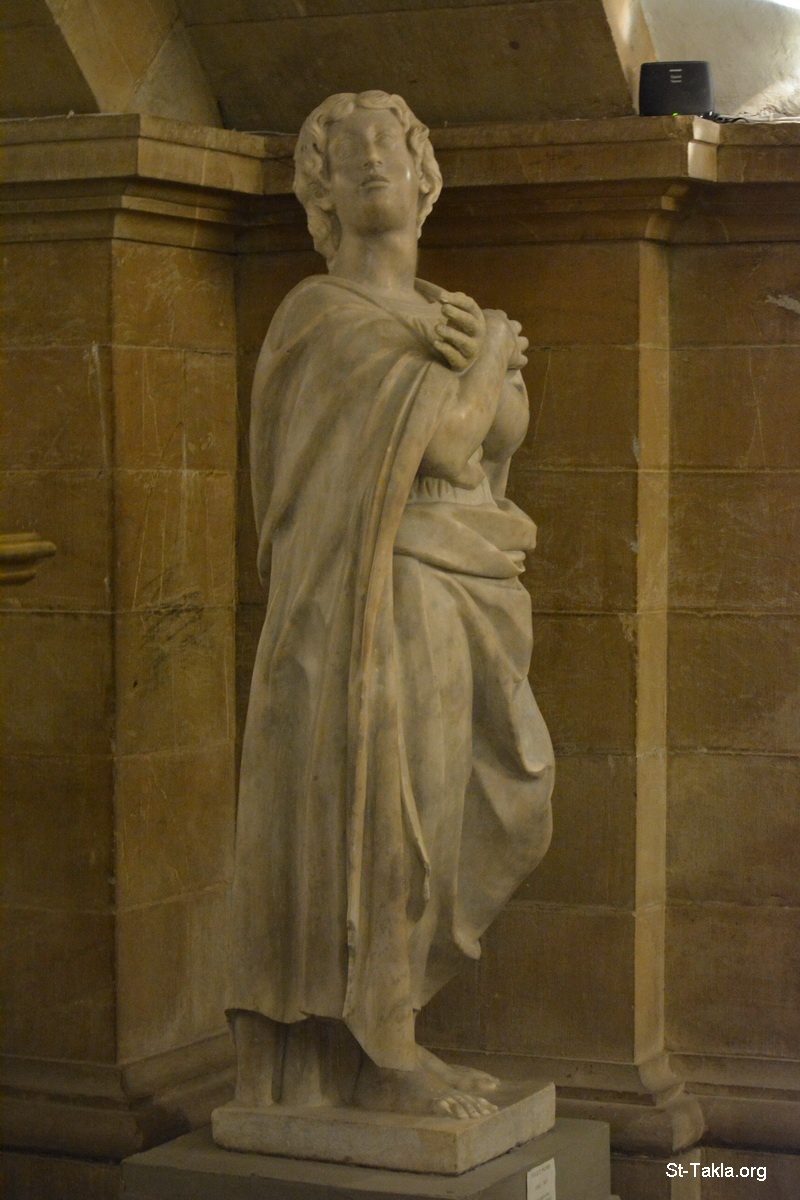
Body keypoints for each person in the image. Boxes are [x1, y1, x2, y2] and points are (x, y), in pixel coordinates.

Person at [224, 90, 554, 1122]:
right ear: (318, 192)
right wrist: (490, 351)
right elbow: (451, 442)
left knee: (472, 808)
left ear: (424, 177)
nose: (373, 161)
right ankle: (381, 1050)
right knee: (391, 819)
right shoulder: (321, 316)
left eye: (390, 147)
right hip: (378, 593)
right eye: (347, 152)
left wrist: (485, 367)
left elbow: (498, 437)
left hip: (466, 585)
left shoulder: (439, 310)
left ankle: (392, 1030)